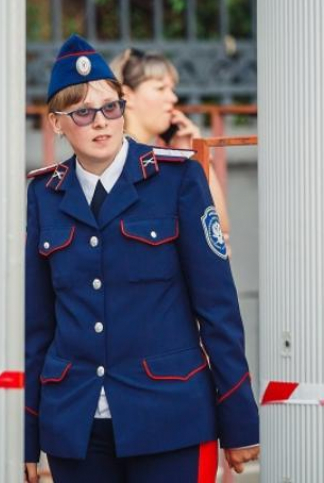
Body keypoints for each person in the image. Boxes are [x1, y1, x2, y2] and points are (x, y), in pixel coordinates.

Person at [24, 35, 259, 483]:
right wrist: (26, 434)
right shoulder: (43, 194)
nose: (101, 122)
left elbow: (218, 309)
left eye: (110, 108)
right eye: (82, 113)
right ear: (57, 124)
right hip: (75, 421)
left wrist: (239, 420)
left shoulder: (177, 178)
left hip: (169, 416)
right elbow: (37, 325)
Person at [109, 47, 232, 252]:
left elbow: (219, 230)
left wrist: (195, 157)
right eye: (160, 88)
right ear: (127, 96)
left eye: (172, 88)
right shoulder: (113, 159)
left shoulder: (168, 159)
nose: (173, 98)